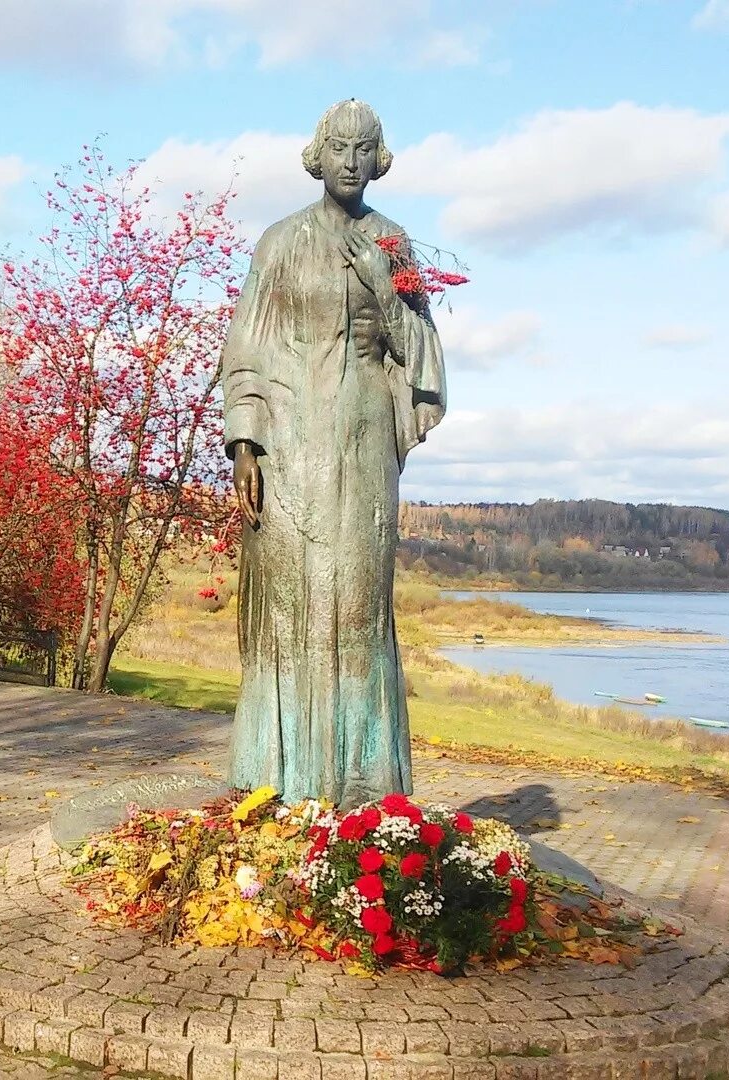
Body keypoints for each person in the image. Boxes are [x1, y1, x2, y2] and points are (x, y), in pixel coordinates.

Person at [218, 98, 446, 805]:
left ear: (379, 157)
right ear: (320, 154)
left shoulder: (393, 245)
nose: (351, 161)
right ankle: (274, 781)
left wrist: (384, 284)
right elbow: (248, 346)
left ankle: (365, 789)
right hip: (286, 444)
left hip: (361, 438)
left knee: (356, 606)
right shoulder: (280, 241)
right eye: (339, 147)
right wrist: (244, 443)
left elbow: (424, 355)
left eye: (363, 148)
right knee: (288, 602)